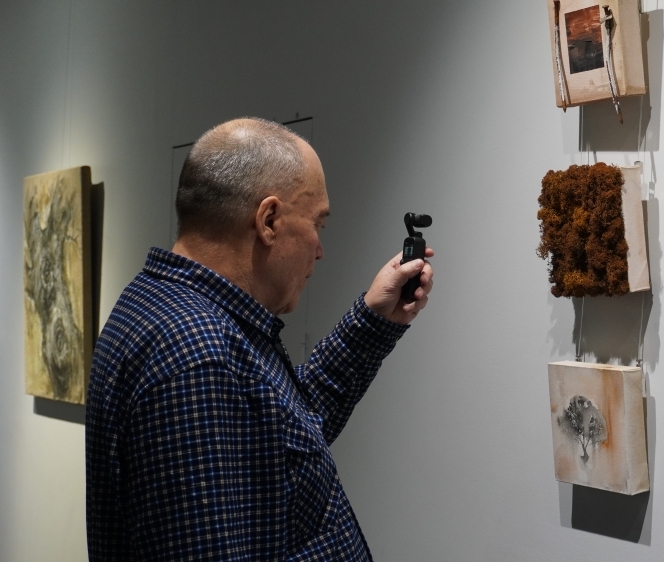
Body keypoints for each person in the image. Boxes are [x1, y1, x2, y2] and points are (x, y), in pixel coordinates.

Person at [85, 117, 433, 561]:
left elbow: (286, 436)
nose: (320, 250)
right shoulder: (199, 356)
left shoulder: (171, 310)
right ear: (268, 220)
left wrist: (373, 320)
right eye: (318, 224)